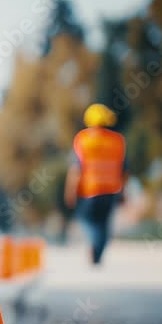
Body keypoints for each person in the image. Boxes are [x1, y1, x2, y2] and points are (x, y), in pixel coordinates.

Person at [65, 103, 127, 266]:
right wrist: (123, 192)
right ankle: (98, 250)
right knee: (104, 223)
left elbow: (75, 169)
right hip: (111, 190)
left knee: (85, 219)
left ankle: (94, 243)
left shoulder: (83, 139)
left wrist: (70, 191)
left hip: (89, 190)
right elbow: (124, 170)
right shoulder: (117, 141)